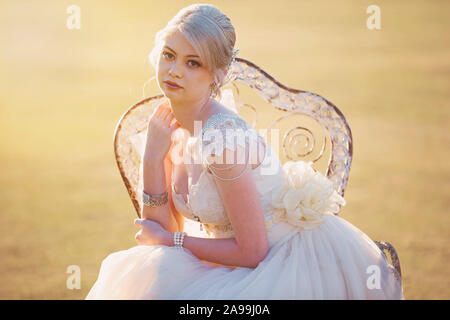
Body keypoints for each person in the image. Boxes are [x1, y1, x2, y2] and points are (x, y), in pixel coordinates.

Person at [86, 4, 404, 299]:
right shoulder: (167, 125)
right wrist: (153, 157)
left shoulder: (222, 140)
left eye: (193, 62)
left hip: (283, 263)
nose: (174, 71)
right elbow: (156, 232)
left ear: (217, 75)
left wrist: (172, 241)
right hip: (228, 260)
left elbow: (252, 252)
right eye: (169, 55)